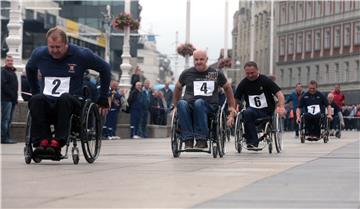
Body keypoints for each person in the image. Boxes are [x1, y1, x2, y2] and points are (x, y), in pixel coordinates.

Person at [26, 27, 111, 158]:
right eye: (51, 47)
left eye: (58, 47)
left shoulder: (82, 55)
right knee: (36, 99)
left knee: (64, 98)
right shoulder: (39, 54)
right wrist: (35, 90)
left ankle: (57, 143)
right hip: (47, 102)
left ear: (66, 44)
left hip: (71, 102)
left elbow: (105, 68)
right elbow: (30, 68)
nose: (54, 51)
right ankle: (42, 142)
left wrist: (103, 96)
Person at [173, 49, 236, 149]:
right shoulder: (187, 73)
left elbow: (227, 88)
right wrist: (176, 105)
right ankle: (188, 139)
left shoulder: (213, 73)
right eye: (196, 59)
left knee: (199, 102)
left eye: (201, 59)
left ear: (206, 59)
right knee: (181, 103)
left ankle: (201, 139)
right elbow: (177, 87)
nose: (198, 62)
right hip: (189, 104)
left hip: (209, 106)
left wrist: (231, 106)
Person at [234, 61, 286, 150]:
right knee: (246, 113)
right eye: (247, 73)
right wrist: (233, 111)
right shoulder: (244, 83)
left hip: (267, 110)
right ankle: (252, 142)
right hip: (252, 110)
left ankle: (253, 140)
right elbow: (236, 98)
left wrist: (281, 107)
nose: (250, 75)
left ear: (258, 70)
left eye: (252, 73)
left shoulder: (265, 80)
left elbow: (279, 94)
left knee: (248, 113)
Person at [1, 55, 18, 144]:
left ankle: (7, 137)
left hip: (12, 100)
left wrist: (15, 98)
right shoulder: (4, 72)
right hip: (6, 99)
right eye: (8, 61)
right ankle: (4, 138)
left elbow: (14, 87)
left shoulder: (13, 72)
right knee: (6, 119)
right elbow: (3, 86)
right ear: (5, 62)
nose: (10, 62)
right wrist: (12, 96)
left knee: (9, 119)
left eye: (11, 61)